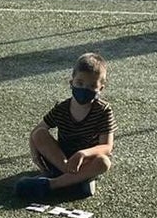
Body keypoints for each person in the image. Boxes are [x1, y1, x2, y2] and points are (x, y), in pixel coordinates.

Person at [15, 52, 116, 201]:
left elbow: (107, 146)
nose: (84, 89)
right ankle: (75, 179)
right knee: (39, 134)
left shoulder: (103, 110)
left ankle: (53, 184)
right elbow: (38, 130)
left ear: (100, 88)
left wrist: (83, 154)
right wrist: (34, 151)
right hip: (61, 159)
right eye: (80, 83)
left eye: (91, 86)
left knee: (103, 162)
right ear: (71, 82)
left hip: (86, 161)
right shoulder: (62, 108)